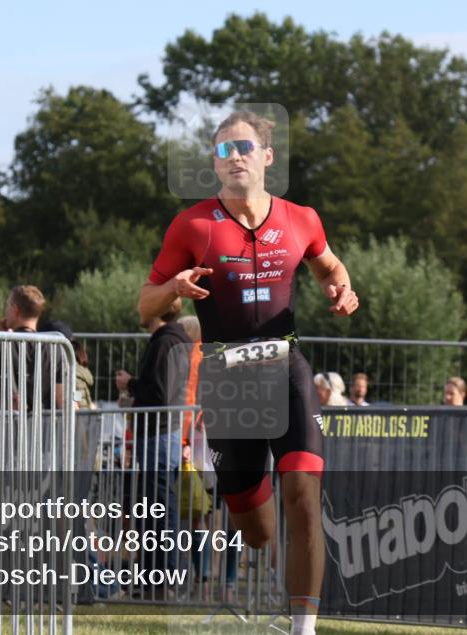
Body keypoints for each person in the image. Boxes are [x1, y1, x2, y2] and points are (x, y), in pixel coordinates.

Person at [137, 110, 359, 635]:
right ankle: (261, 535)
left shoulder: (302, 218)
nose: (233, 157)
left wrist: (342, 289)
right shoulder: (192, 225)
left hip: (286, 368)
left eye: (243, 147)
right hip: (227, 380)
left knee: (303, 495)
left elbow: (330, 266)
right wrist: (174, 289)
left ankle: (303, 629)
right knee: (255, 531)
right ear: (215, 163)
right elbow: (145, 304)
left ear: (267, 157)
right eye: (223, 150)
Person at [115, 299, 191, 587]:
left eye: (145, 304)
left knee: (159, 507)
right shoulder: (171, 340)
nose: (140, 308)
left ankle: (161, 577)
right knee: (157, 506)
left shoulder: (165, 342)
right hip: (161, 433)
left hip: (158, 434)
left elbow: (159, 393)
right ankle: (156, 575)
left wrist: (129, 383)